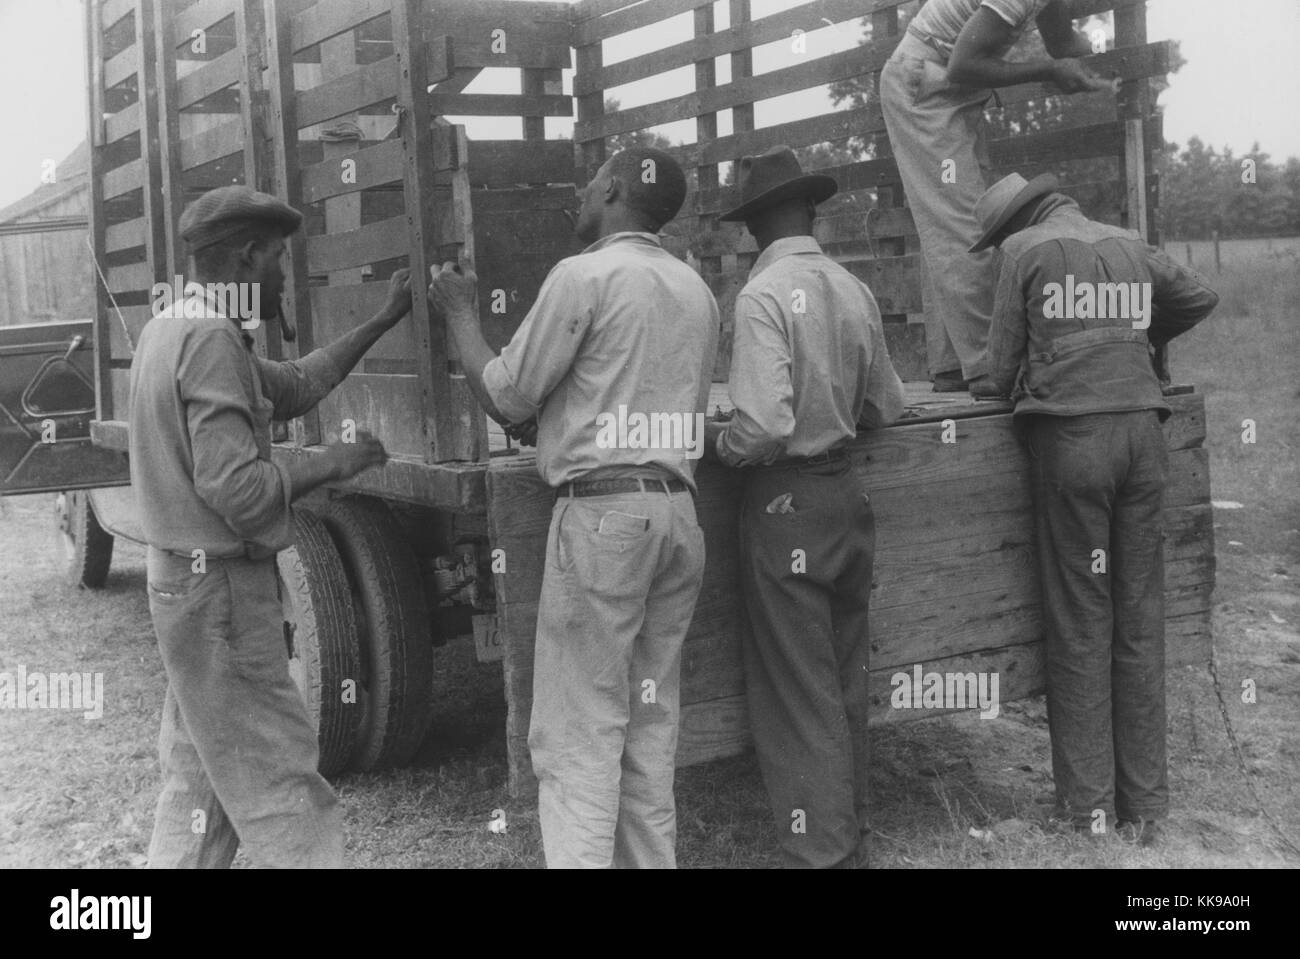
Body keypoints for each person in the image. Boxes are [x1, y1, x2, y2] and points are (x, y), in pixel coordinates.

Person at [428, 148, 719, 868]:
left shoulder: (582, 275)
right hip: (678, 516)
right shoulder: (696, 290)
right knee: (649, 732)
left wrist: (462, 314)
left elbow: (508, 394)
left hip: (603, 520)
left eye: (591, 182)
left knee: (577, 737)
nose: (579, 194)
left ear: (615, 188)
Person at [130, 185, 414, 867]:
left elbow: (291, 383)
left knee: (200, 791)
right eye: (278, 259)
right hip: (223, 596)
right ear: (250, 256)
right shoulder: (210, 341)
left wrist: (383, 318)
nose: (284, 275)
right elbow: (240, 492)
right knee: (289, 790)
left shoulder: (173, 326)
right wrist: (329, 463)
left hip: (183, 590)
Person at [969, 173, 1219, 844]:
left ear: (1016, 222)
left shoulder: (1025, 252)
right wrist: (1134, 336)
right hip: (1143, 436)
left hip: (1073, 441)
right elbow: (1198, 295)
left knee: (1081, 616)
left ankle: (1088, 812)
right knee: (1138, 613)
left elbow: (996, 375)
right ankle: (1147, 807)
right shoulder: (1128, 241)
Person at [708, 146, 906, 868]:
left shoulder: (761, 297)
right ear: (812, 214)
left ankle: (818, 851)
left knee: (797, 688)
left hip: (784, 502)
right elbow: (889, 403)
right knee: (844, 674)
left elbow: (761, 426)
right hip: (845, 496)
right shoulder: (852, 289)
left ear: (753, 227)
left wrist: (723, 449)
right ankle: (850, 830)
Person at [879, 0, 1112, 391]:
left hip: (949, 87)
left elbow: (1061, 40)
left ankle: (954, 365)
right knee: (964, 225)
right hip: (927, 82)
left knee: (950, 221)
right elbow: (964, 64)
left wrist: (1107, 62)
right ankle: (989, 368)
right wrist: (1049, 71)